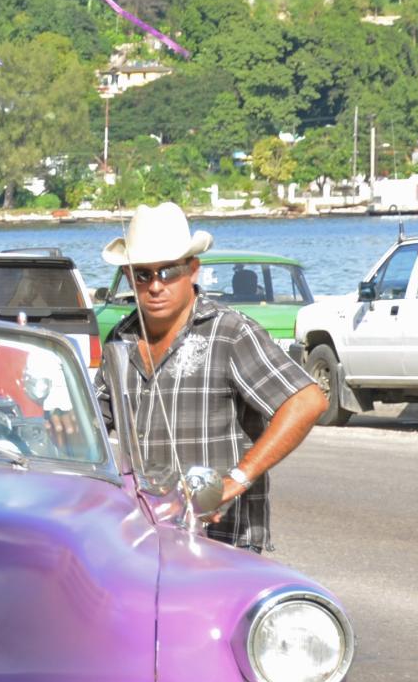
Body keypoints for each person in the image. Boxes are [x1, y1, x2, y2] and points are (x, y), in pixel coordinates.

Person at [98, 203, 326, 553]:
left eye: (168, 271)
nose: (155, 285)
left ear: (192, 270)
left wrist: (234, 481)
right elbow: (91, 420)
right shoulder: (120, 338)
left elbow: (307, 401)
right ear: (129, 277)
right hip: (143, 539)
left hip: (223, 543)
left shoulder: (229, 332)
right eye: (143, 274)